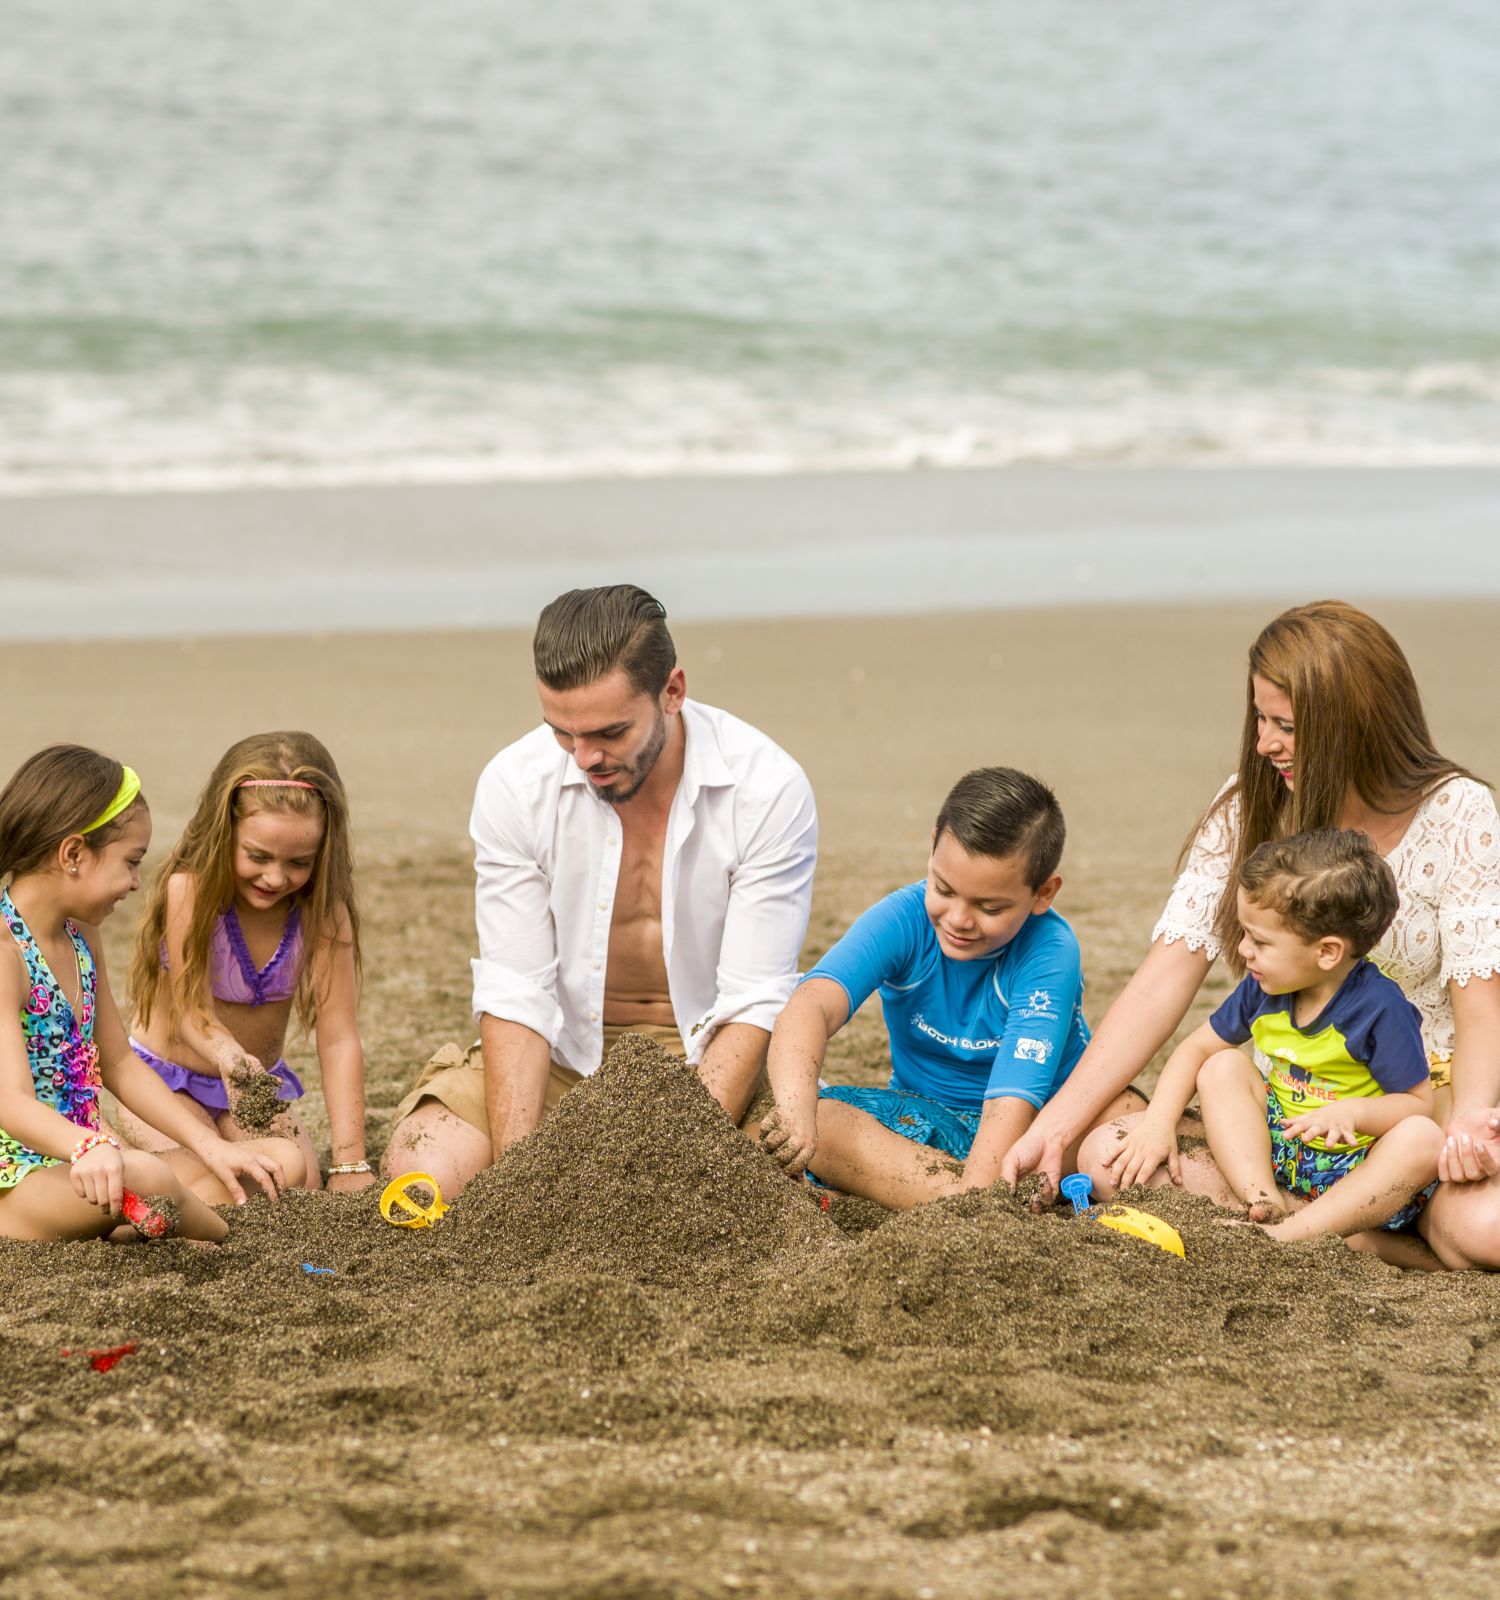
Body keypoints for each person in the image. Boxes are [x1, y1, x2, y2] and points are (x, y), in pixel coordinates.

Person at [1000, 600, 1500, 1270]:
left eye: (1286, 726)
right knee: (1106, 1156)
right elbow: (1161, 982)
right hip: (1290, 1122)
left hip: (1420, 1115)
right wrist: (1056, 1128)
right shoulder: (1251, 804)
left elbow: (1479, 1001)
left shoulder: (1459, 812)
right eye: (1259, 719)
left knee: (1486, 1227)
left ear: (1355, 723)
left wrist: (1468, 1121)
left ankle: (1374, 1229)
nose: (1264, 743)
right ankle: (1329, 1226)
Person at [380, 584, 818, 1199]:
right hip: (559, 1061)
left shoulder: (768, 789)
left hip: (707, 1071)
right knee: (421, 1169)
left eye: (610, 732)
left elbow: (753, 1001)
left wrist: (684, 1155)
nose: (584, 758)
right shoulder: (514, 784)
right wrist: (520, 1178)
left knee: (773, 1167)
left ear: (673, 691)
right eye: (562, 732)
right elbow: (517, 991)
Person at [759, 767, 1143, 1207]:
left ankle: (971, 1202)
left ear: (1043, 893)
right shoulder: (905, 918)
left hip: (1040, 1129)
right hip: (926, 1122)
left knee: (1118, 1129)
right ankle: (979, 1201)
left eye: (989, 906)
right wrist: (795, 1108)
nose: (959, 919)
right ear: (932, 848)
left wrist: (979, 1188)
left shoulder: (1050, 951)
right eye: (944, 888)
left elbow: (1011, 1101)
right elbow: (810, 1005)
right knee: (820, 1121)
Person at [0, 746, 296, 1242]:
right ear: (73, 854)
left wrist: (209, 1145)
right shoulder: (5, 954)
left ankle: (142, 1222)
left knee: (274, 1159)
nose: (137, 883)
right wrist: (86, 1146)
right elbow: (9, 1100)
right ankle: (228, 1241)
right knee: (152, 1179)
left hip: (91, 1167)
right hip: (20, 1182)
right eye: (131, 862)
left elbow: (118, 1062)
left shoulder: (80, 936)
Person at [1097, 829, 1441, 1251]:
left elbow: (1418, 1104)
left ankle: (1291, 1234)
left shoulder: (1379, 1007)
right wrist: (1158, 1124)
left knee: (1423, 1138)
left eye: (1259, 940)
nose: (1244, 950)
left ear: (1328, 952)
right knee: (1221, 1066)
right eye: (1245, 934)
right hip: (1283, 1149)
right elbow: (1197, 1048)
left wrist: (1354, 1113)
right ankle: (1263, 1201)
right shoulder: (1265, 987)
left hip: (1354, 1165)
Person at [117, 732, 370, 1192]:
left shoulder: (323, 913)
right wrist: (228, 1055)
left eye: (299, 862)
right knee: (210, 1178)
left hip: (252, 1090)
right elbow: (191, 1009)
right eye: (258, 856)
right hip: (165, 1083)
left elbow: (338, 1038)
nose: (276, 877)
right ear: (224, 831)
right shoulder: (190, 891)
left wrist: (351, 1163)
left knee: (298, 1181)